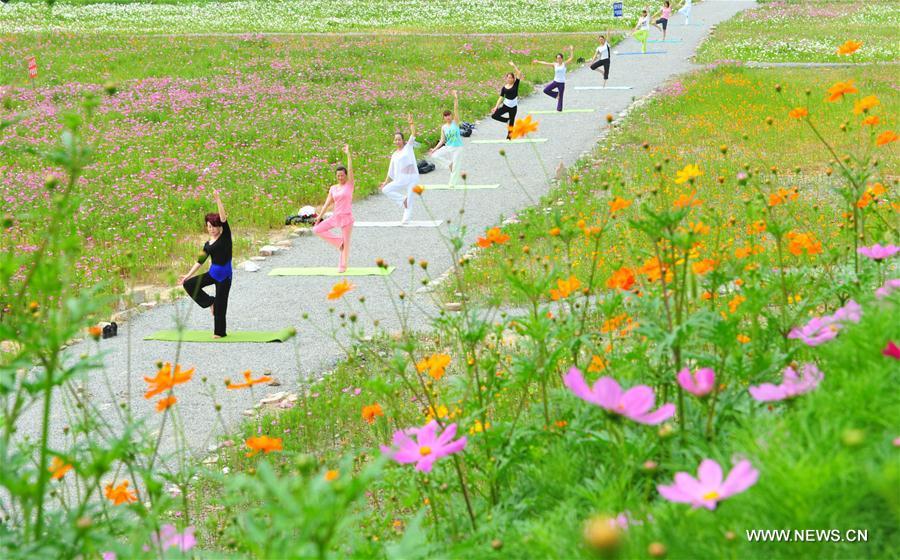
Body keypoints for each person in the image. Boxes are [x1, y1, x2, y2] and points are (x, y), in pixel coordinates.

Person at [179, 191, 232, 338]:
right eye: (209, 226)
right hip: (212, 274)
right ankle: (210, 302)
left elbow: (223, 218)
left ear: (219, 227)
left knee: (222, 305)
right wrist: (187, 275)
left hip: (224, 277)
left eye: (214, 226)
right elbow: (200, 261)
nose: (211, 229)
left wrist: (217, 199)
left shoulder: (225, 237)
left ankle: (219, 333)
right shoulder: (207, 244)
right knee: (188, 284)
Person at [313, 144, 355, 272]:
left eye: (342, 175)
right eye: (338, 176)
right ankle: (338, 242)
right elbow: (327, 204)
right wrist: (319, 217)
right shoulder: (333, 188)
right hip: (336, 216)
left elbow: (350, 169)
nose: (340, 177)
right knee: (317, 229)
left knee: (346, 243)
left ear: (346, 176)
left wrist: (348, 154)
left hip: (347, 217)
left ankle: (343, 265)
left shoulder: (349, 185)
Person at [380, 114, 418, 224]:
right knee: (385, 190)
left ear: (403, 140)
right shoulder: (394, 155)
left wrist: (411, 123)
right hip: (401, 179)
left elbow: (414, 134)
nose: (397, 141)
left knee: (410, 199)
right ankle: (403, 200)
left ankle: (406, 217)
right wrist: (385, 182)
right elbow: (390, 170)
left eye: (399, 139)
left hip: (412, 178)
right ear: (394, 141)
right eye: (396, 140)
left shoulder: (408, 147)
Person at [429, 90, 464, 186]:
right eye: (446, 116)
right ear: (444, 118)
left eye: (449, 115)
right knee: (434, 155)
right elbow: (442, 140)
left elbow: (456, 109)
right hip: (448, 147)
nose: (448, 117)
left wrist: (455, 98)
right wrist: (434, 149)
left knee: (456, 166)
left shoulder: (455, 122)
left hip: (458, 148)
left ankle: (452, 184)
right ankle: (449, 164)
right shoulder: (443, 127)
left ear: (451, 116)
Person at [534, 46, 573, 112]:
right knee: (546, 90)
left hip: (561, 83)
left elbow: (571, 58)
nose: (559, 59)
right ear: (556, 59)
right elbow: (546, 63)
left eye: (560, 58)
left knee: (561, 98)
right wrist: (537, 61)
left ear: (562, 58)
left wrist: (571, 50)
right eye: (557, 58)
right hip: (555, 82)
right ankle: (556, 95)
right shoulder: (555, 64)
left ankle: (559, 109)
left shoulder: (564, 64)